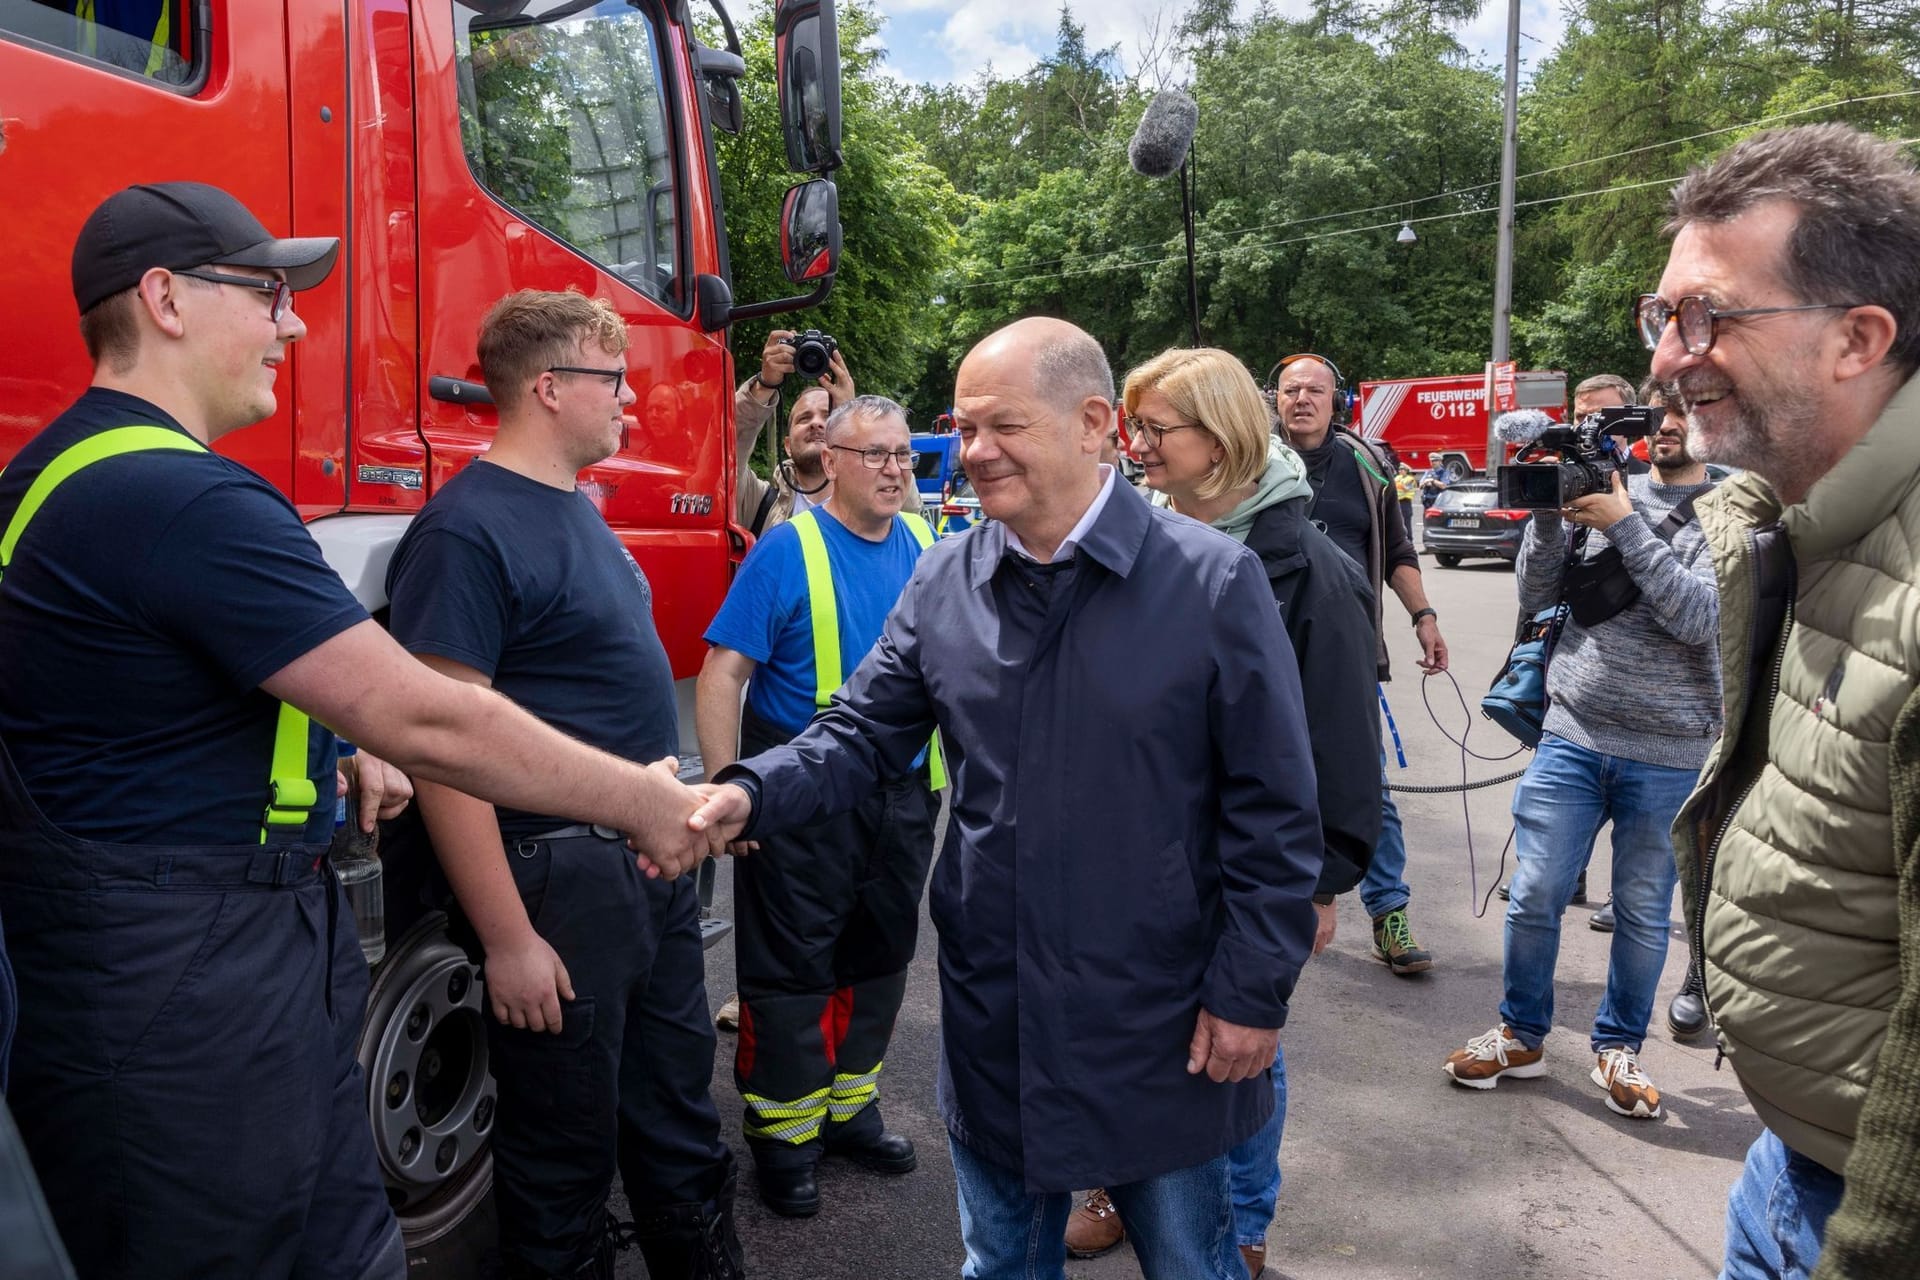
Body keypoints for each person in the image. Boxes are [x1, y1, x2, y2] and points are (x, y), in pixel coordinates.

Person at [0, 181, 712, 1280]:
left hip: (134, 955)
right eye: (268, 293)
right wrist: (650, 801)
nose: (292, 322)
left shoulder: (60, 473)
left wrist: (339, 744)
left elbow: (148, 697)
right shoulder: (182, 498)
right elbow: (426, 711)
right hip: (188, 985)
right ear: (164, 299)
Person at [687, 317, 1324, 1280]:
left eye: (1003, 427)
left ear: (1095, 423)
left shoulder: (1209, 581)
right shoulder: (945, 578)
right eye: (965, 426)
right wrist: (743, 794)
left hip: (1156, 1023)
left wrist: (1251, 992)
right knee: (1000, 1265)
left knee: (1195, 1263)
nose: (974, 451)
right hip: (998, 1017)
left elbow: (1275, 813)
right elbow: (858, 736)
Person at [384, 290, 742, 1279]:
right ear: (548, 388)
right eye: (612, 379)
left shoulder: (578, 515)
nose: (631, 399)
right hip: (558, 890)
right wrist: (507, 937)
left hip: (643, 879)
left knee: (676, 1121)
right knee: (562, 1164)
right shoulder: (465, 533)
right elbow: (444, 748)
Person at [1647, 122, 1920, 1280]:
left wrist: (1865, 1248)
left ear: (1859, 338)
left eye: (1707, 316)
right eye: (1660, 319)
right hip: (1786, 1164)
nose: (1670, 358)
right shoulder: (1786, 520)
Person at [1058, 347, 1378, 1280]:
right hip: (1140, 861)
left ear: (1223, 437)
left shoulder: (1307, 570)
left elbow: (1343, 749)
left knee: (1239, 1043)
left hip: (1246, 870)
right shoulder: (1133, 542)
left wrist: (1318, 885)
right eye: (1135, 427)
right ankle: (1123, 1185)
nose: (1137, 447)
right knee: (1137, 1030)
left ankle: (1241, 1219)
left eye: (1157, 430)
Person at [1441, 378, 1719, 1121]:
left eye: (1684, 412)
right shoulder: (1600, 486)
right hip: (1572, 731)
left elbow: (1697, 617)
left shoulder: (1727, 512)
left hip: (1671, 750)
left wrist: (1626, 524)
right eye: (1659, 410)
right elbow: (1536, 595)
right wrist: (1545, 517)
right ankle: (1522, 1033)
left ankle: (1619, 1047)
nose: (1668, 423)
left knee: (1640, 906)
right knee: (1534, 892)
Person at [695, 396, 940, 1218]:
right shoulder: (787, 548)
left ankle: (847, 1113)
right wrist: (732, 786)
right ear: (828, 459)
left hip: (903, 798)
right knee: (793, 973)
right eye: (875, 455)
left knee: (877, 961)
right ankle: (784, 1137)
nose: (895, 470)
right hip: (802, 801)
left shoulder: (926, 541)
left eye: (904, 455)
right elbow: (723, 674)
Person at [1274, 354, 1447, 975]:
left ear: (1335, 400)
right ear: (1276, 399)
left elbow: (1398, 550)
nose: (1301, 399)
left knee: (1364, 785)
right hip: (1264, 650)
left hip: (1347, 654)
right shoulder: (1250, 460)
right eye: (1290, 390)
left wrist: (1423, 616)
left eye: (1314, 390)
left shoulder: (1366, 464)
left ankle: (1388, 912)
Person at [732, 329, 855, 535]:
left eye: (828, 416)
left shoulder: (869, 504)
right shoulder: (758, 503)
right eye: (804, 418)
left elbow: (904, 498)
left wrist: (853, 415)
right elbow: (725, 448)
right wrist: (764, 385)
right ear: (787, 446)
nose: (816, 423)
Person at [1574, 373, 1650, 477]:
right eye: (1580, 416)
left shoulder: (1650, 479)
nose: (1588, 424)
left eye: (1600, 417)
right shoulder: (1564, 479)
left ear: (1629, 420)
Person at [1393, 463, 1418, 538]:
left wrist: (1399, 484)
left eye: (1402, 469)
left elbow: (1407, 488)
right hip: (1397, 503)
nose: (1400, 471)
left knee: (1407, 524)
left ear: (1406, 471)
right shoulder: (1397, 478)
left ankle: (1409, 540)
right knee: (1398, 523)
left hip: (1405, 502)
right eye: (1399, 469)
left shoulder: (1410, 479)